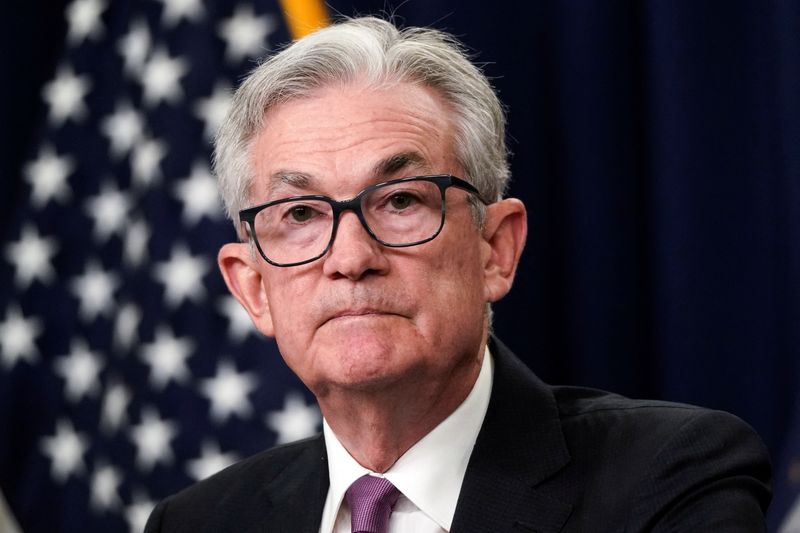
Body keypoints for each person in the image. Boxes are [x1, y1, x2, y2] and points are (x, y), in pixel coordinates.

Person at [145, 16, 771, 533]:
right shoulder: (198, 522)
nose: (350, 257)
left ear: (494, 248)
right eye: (301, 213)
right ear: (252, 287)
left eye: (400, 201)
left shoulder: (671, 479)